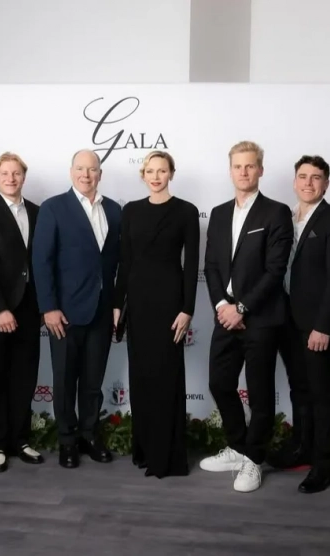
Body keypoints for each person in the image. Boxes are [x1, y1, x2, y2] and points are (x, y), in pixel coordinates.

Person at [199, 140, 293, 493]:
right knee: (219, 383)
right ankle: (238, 446)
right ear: (230, 170)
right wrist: (222, 307)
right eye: (238, 166)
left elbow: (275, 270)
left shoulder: (276, 212)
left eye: (250, 165)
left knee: (260, 393)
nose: (243, 171)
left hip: (261, 317)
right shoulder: (219, 213)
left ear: (260, 170)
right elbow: (211, 266)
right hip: (225, 315)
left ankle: (254, 459)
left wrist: (241, 308)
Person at [32, 149, 121, 468]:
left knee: (93, 381)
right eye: (80, 169)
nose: (86, 174)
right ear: (71, 172)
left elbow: (116, 262)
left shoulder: (114, 210)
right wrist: (49, 307)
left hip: (101, 311)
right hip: (64, 314)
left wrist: (116, 304)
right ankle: (67, 440)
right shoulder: (53, 207)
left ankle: (89, 435)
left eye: (92, 169)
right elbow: (41, 261)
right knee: (65, 380)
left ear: (100, 174)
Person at [266, 155, 330, 493]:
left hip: (317, 323)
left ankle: (323, 463)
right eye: (303, 176)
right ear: (294, 181)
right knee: (298, 387)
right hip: (286, 319)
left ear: (326, 184)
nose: (308, 183)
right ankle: (301, 447)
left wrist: (324, 325)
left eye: (316, 177)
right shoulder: (286, 218)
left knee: (320, 390)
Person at [113, 151, 200, 478]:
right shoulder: (131, 211)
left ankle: (168, 457)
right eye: (150, 171)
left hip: (169, 305)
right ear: (143, 174)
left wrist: (187, 309)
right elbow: (125, 261)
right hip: (138, 305)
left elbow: (191, 265)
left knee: (167, 378)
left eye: (162, 171)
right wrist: (118, 304)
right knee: (141, 378)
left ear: (171, 173)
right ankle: (145, 449)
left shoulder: (186, 211)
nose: (155, 176)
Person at [0, 152, 44, 472]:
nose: (11, 178)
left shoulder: (37, 212)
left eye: (16, 173)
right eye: (5, 173)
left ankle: (20, 439)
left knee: (24, 376)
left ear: (23, 177)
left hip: (30, 307)